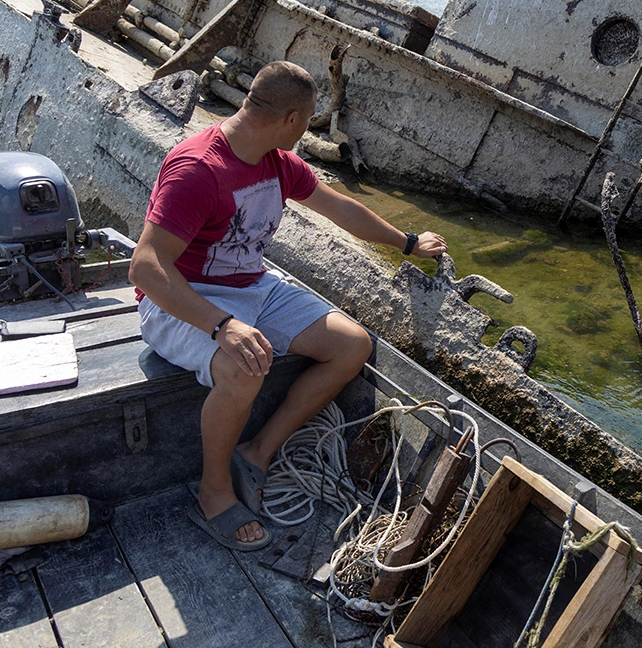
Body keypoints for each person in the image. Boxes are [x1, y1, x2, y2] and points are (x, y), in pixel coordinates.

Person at [129, 61, 447, 550]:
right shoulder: (197, 169)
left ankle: (256, 452)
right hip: (181, 300)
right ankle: (214, 491)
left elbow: (341, 208)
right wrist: (222, 327)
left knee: (351, 346)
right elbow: (147, 269)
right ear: (293, 119)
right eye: (310, 121)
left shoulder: (277, 162)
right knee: (244, 367)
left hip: (252, 286)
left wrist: (407, 242)